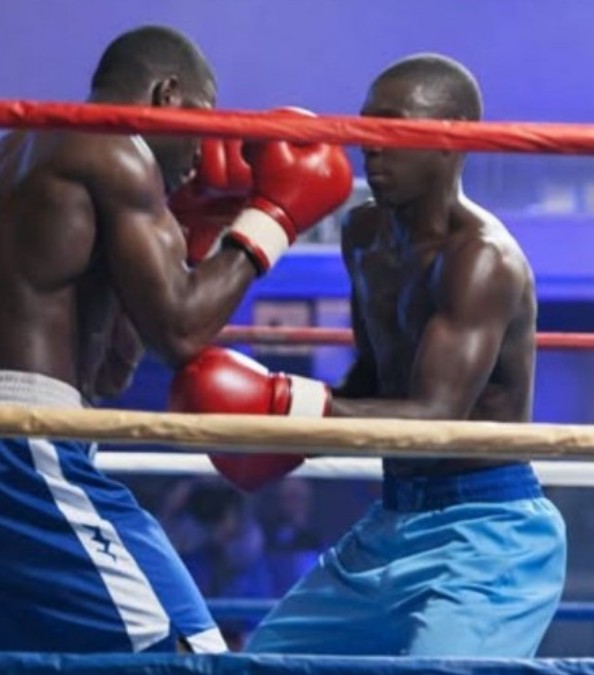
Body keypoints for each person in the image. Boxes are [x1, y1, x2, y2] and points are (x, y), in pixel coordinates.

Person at [167, 53, 567, 658]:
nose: (370, 147)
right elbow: (373, 378)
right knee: (266, 663)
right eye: (364, 128)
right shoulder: (364, 235)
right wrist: (276, 425)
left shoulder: (483, 258)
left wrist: (286, 408)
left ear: (452, 135)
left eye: (392, 128)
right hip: (393, 519)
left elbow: (436, 419)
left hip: (487, 529)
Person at [0, 25, 352, 653]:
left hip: (39, 431)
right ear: (167, 94)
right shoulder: (114, 150)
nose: (201, 153)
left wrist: (187, 241)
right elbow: (183, 331)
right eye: (203, 119)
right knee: (186, 651)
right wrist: (271, 218)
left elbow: (110, 373)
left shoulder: (27, 148)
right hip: (27, 445)